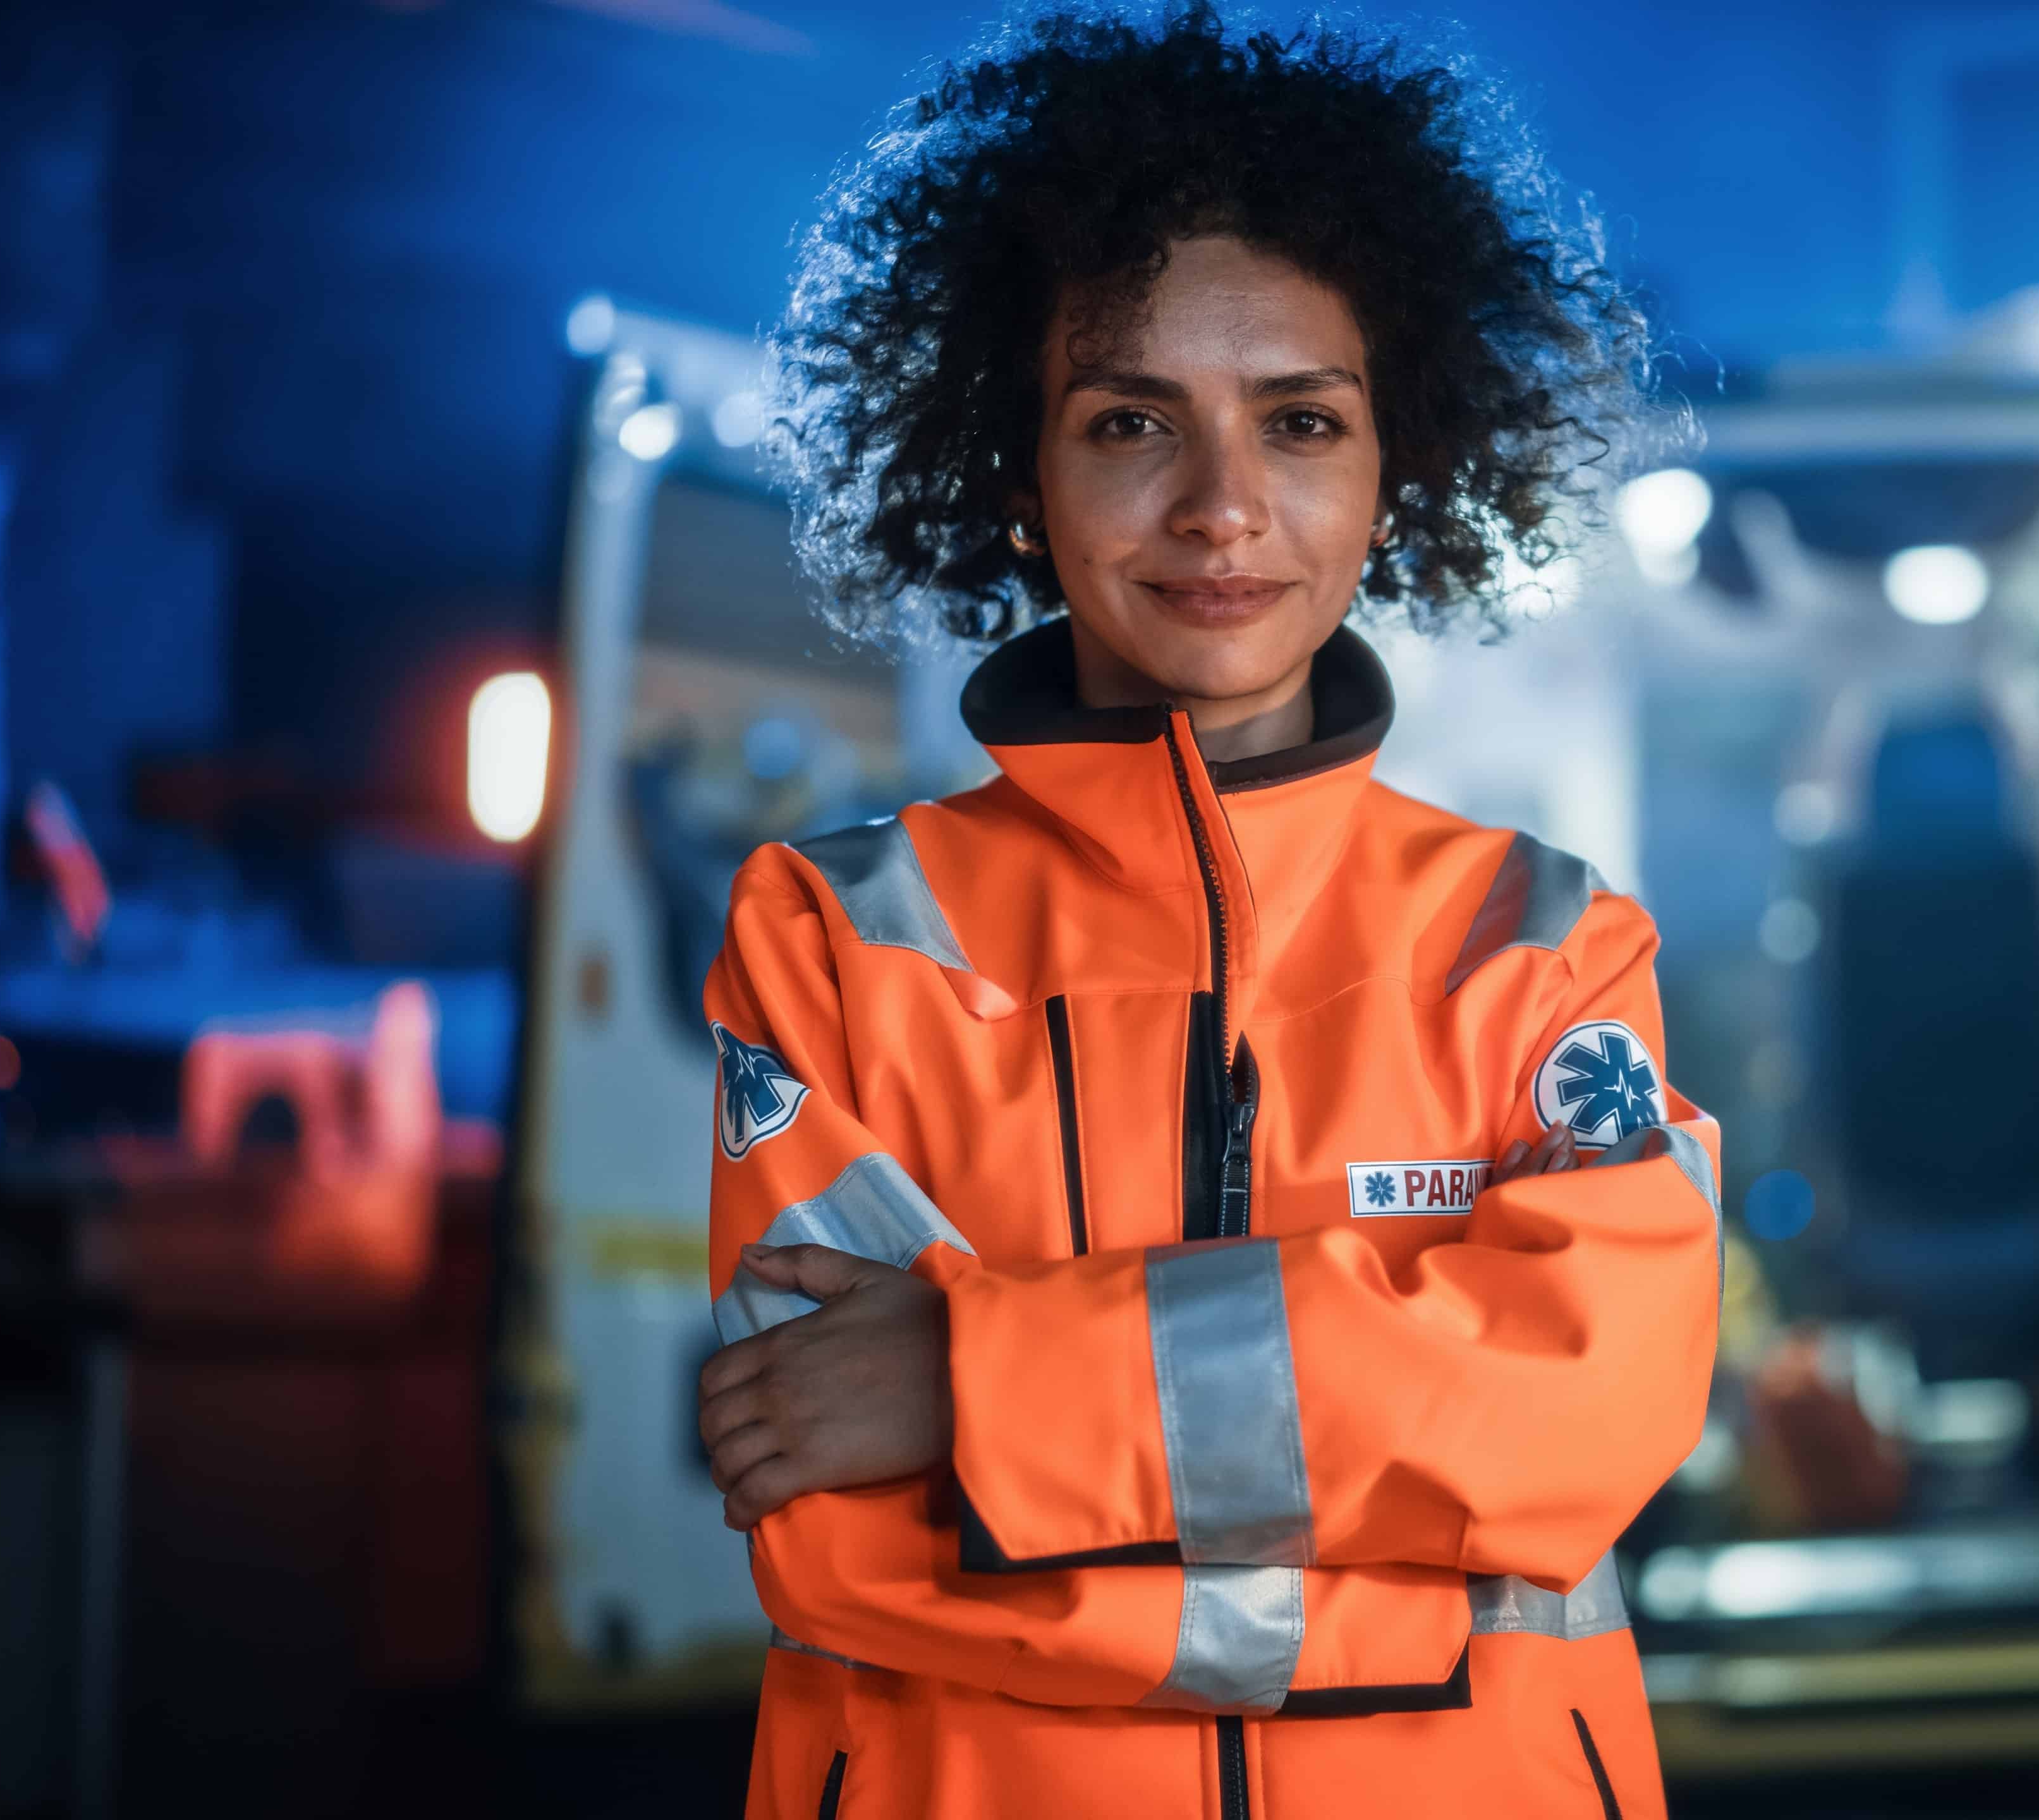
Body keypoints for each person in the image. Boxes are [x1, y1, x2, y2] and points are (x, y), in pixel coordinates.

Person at [691, 10, 1719, 1816]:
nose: (1223, 507)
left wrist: (979, 1386)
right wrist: (1426, 1561)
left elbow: (1588, 1414)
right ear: (1020, 475)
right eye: (1129, 422)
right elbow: (846, 1543)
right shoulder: (835, 940)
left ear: (1395, 470)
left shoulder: (1545, 947)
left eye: (1301, 422)